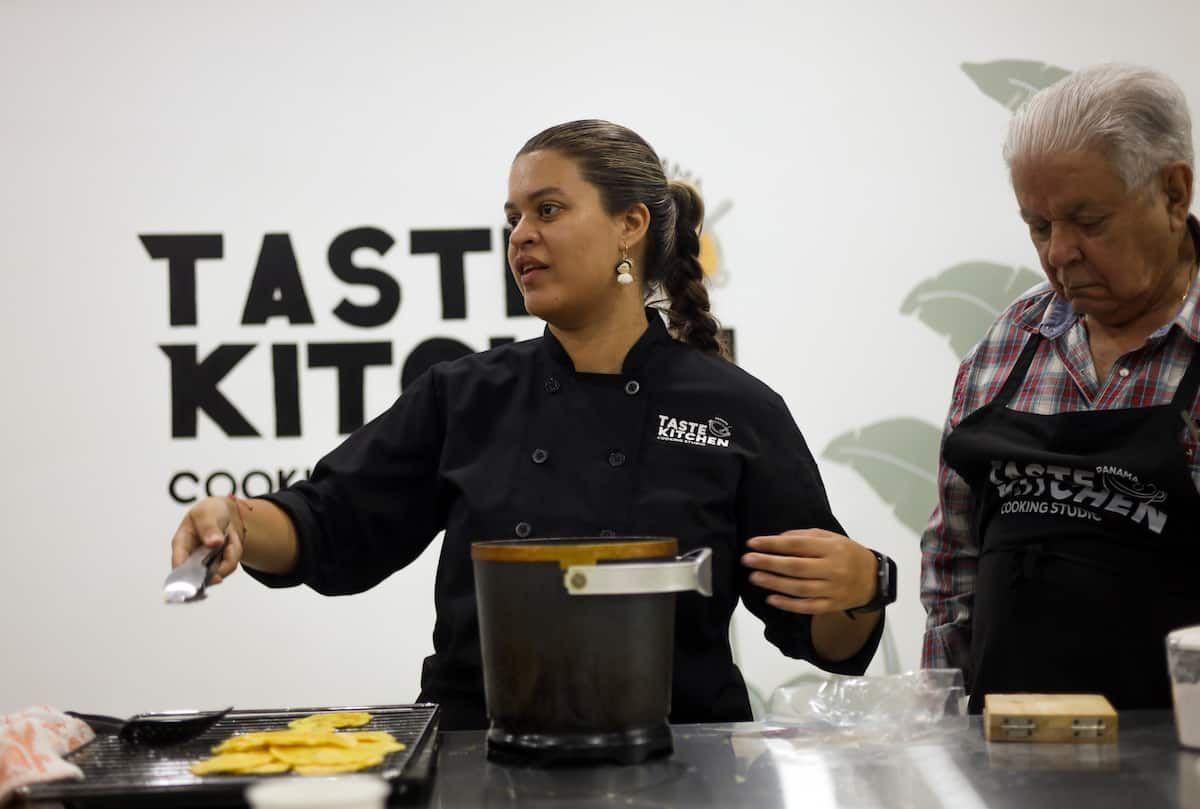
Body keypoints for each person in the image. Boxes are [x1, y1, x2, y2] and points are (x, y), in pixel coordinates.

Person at [171, 120, 892, 730]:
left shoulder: (736, 408)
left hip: (681, 766)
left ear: (630, 226)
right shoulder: (464, 396)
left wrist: (865, 583)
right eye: (513, 218)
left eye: (548, 210)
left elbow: (826, 635)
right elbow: (328, 524)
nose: (521, 236)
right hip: (477, 758)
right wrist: (236, 520)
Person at [920, 63, 1200, 711]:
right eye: (1039, 226)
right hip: (1003, 753)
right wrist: (946, 733)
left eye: (1088, 220)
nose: (1058, 253)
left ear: (1173, 193)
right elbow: (954, 561)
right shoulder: (1007, 345)